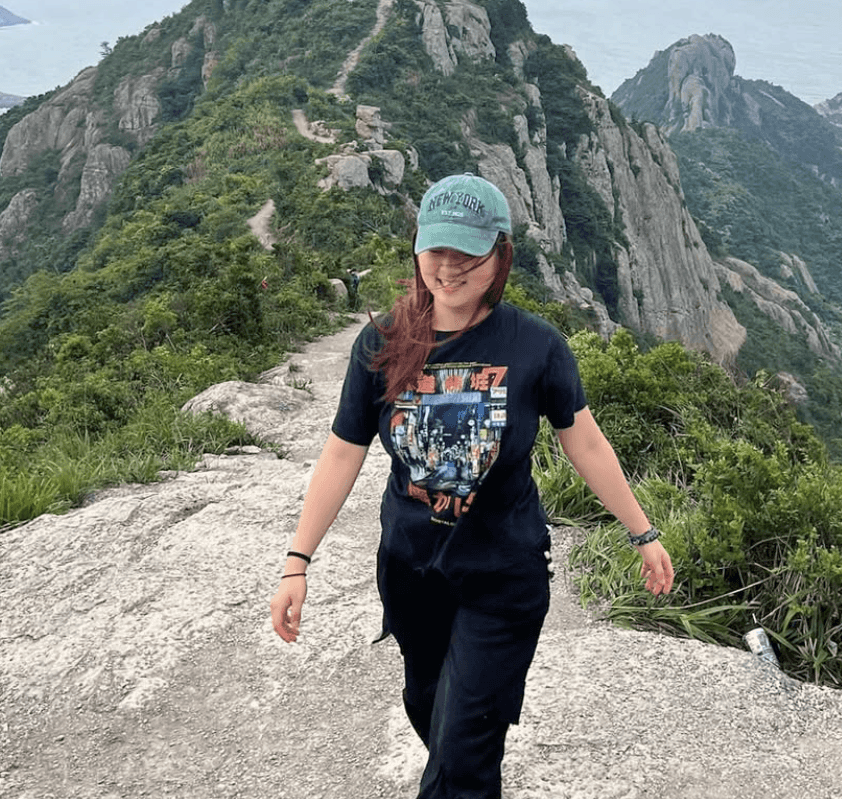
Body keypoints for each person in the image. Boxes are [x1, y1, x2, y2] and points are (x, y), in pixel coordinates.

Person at [270, 173, 674, 799]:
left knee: (460, 751)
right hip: (411, 570)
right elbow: (343, 452)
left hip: (502, 573)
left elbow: (586, 443)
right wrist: (297, 560)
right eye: (436, 249)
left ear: (500, 254)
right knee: (429, 709)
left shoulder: (535, 346)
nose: (448, 267)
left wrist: (642, 533)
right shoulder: (381, 343)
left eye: (468, 253)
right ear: (417, 248)